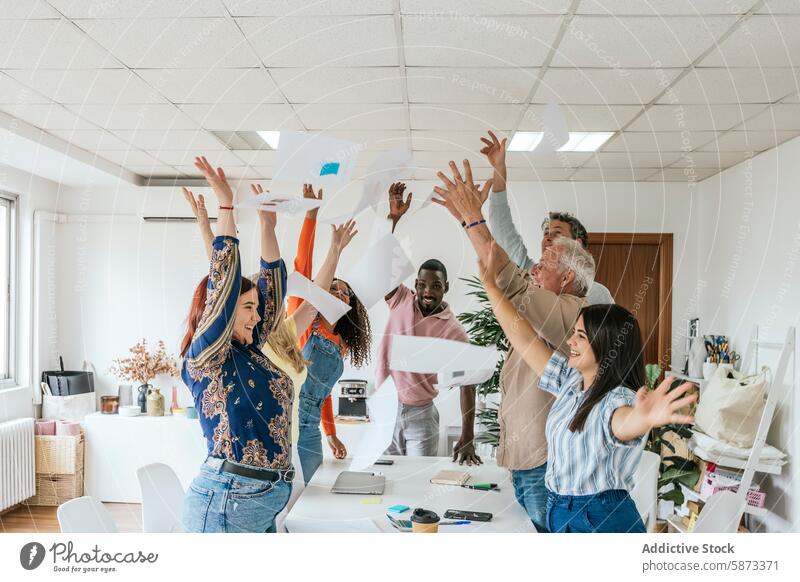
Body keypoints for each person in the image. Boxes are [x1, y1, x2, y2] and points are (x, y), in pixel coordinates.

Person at [478, 239, 696, 533]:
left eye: (580, 335)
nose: (570, 341)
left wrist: (642, 419)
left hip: (601, 520)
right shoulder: (570, 382)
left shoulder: (617, 399)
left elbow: (621, 423)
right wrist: (491, 287)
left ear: (605, 345)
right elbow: (525, 339)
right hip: (562, 512)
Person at [432, 160, 593, 531]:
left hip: (543, 462)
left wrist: (473, 216)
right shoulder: (547, 304)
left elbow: (509, 281)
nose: (535, 268)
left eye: (546, 263)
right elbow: (508, 274)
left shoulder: (572, 311)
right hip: (524, 460)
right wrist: (467, 219)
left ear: (568, 277)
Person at [181, 185, 358, 457]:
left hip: (299, 442)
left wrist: (334, 250)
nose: (262, 312)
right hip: (272, 452)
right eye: (252, 306)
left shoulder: (284, 334)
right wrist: (209, 227)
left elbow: (314, 302)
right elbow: (222, 291)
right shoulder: (247, 346)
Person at [180, 156, 292, 533]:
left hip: (259, 500)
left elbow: (272, 296)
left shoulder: (246, 351)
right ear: (224, 313)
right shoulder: (206, 357)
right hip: (228, 501)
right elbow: (224, 287)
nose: (257, 316)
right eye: (247, 308)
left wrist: (267, 226)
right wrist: (225, 206)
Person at [378, 182, 480, 463]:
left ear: (445, 287)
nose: (427, 291)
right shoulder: (400, 299)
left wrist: (468, 436)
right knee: (383, 480)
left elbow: (468, 384)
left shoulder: (453, 330)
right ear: (415, 284)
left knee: (415, 484)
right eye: (422, 284)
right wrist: (393, 219)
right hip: (385, 409)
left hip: (421, 415)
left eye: (435, 286)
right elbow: (382, 263)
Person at [290, 184, 373, 484]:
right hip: (288, 426)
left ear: (351, 304)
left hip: (312, 431)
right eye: (331, 288)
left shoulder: (341, 346)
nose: (338, 292)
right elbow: (302, 265)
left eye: (344, 292)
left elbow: (322, 392)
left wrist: (332, 435)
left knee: (309, 497)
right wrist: (311, 214)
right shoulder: (304, 323)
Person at [478, 130, 614, 305]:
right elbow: (502, 228)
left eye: (557, 233)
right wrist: (499, 170)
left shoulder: (596, 294)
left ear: (576, 245)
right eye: (546, 233)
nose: (548, 237)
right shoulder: (530, 273)